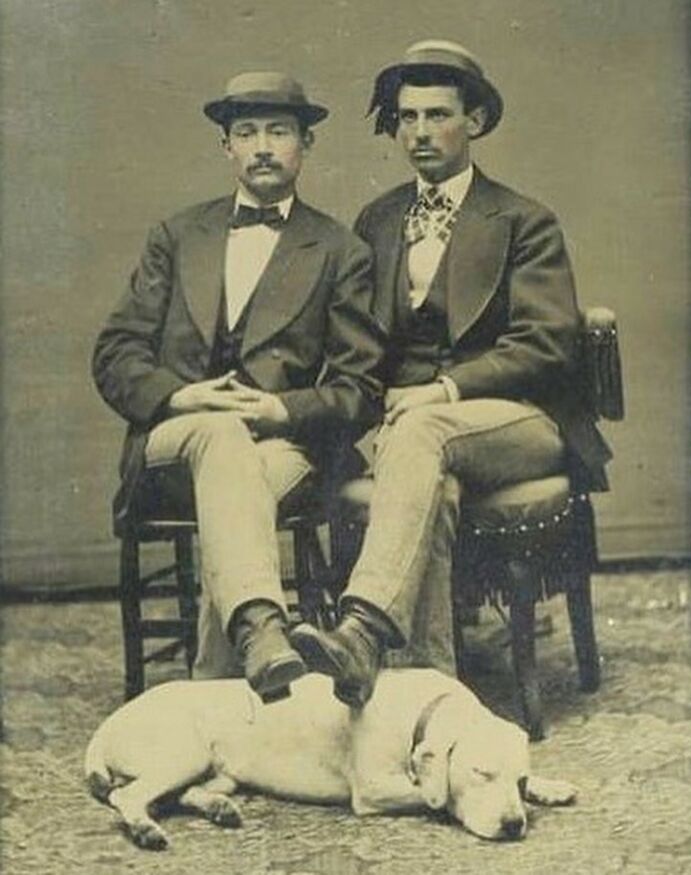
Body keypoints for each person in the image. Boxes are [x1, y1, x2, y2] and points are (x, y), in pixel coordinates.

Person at [291, 40, 612, 707]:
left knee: (424, 427)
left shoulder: (524, 219)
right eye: (406, 117)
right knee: (426, 476)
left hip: (521, 419)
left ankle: (364, 626)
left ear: (475, 121)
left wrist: (442, 389)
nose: (419, 133)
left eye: (437, 115)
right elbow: (358, 342)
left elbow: (548, 343)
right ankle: (431, 690)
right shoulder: (377, 221)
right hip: (414, 428)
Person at [93, 72, 384, 703]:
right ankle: (259, 628)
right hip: (175, 443)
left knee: (239, 486)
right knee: (222, 437)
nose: (262, 147)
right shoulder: (177, 236)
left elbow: (361, 387)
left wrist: (282, 407)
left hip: (281, 446)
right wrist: (180, 396)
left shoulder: (340, 250)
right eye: (246, 133)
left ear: (306, 143)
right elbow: (115, 353)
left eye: (278, 132)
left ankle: (220, 683)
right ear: (225, 146)